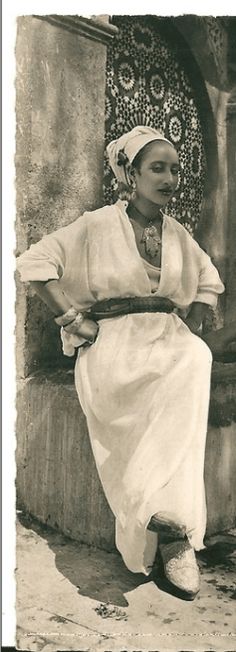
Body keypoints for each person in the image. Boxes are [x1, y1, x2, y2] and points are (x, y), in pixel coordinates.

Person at [17, 125, 225, 600]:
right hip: (113, 343)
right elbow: (34, 263)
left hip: (168, 338)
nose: (170, 177)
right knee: (179, 366)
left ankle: (171, 532)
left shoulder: (178, 233)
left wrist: (191, 320)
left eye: (175, 168)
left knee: (195, 356)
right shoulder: (95, 225)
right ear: (130, 173)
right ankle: (169, 531)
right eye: (157, 168)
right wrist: (73, 318)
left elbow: (209, 280)